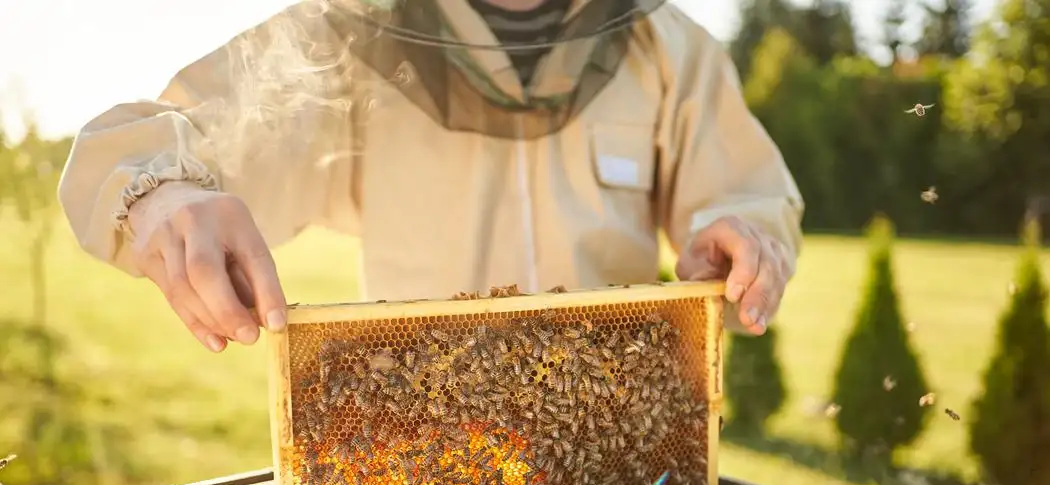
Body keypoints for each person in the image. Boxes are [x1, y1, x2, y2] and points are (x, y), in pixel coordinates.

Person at [58, 0, 803, 355]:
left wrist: (742, 239)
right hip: (425, 457)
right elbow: (140, 145)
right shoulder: (348, 36)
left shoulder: (670, 49)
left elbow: (744, 193)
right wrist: (165, 196)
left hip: (622, 454)